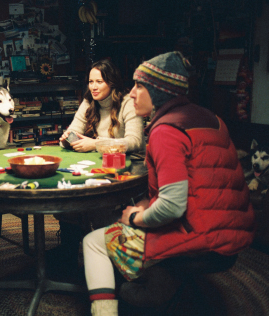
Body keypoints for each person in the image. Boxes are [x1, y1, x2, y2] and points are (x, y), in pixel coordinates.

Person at [82, 51, 255, 316]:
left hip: (197, 239)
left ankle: (106, 312)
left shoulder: (166, 131)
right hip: (232, 236)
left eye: (140, 86)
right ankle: (160, 286)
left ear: (159, 91)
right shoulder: (212, 119)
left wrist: (137, 218)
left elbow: (173, 207)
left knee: (93, 241)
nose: (131, 93)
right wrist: (148, 204)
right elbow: (199, 188)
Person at [50, 59, 145, 271]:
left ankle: (109, 254)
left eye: (99, 82)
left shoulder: (128, 102)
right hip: (97, 164)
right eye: (90, 81)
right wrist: (68, 137)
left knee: (98, 205)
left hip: (125, 167)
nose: (93, 86)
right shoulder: (88, 101)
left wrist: (96, 144)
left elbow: (135, 141)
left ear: (111, 82)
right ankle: (68, 253)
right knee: (70, 197)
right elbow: (73, 129)